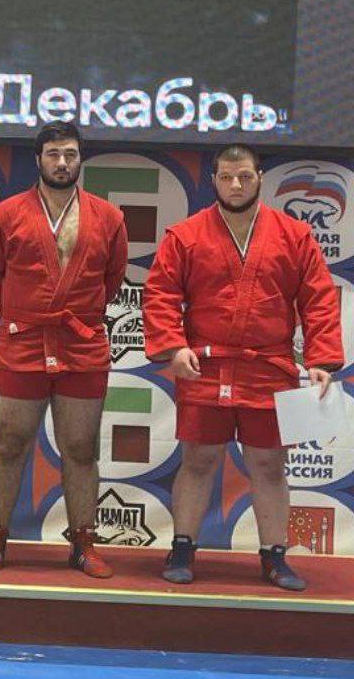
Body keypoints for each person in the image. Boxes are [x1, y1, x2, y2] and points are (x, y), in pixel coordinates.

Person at [144, 144, 342, 591]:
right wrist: (174, 347)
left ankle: (275, 556)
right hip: (205, 364)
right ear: (213, 179)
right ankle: (182, 547)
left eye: (245, 177)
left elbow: (318, 298)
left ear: (260, 178)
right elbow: (160, 294)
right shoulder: (185, 235)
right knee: (199, 459)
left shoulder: (294, 235)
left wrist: (319, 358)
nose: (236, 185)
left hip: (268, 367)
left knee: (269, 464)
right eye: (227, 177)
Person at [0, 121, 129, 577]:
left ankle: (84, 543)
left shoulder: (109, 218)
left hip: (81, 345)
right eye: (54, 154)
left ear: (81, 159)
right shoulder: (4, 215)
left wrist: (74, 315)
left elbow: (113, 278)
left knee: (81, 448)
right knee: (10, 443)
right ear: (38, 159)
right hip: (23, 342)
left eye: (71, 155)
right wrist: (24, 313)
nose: (62, 163)